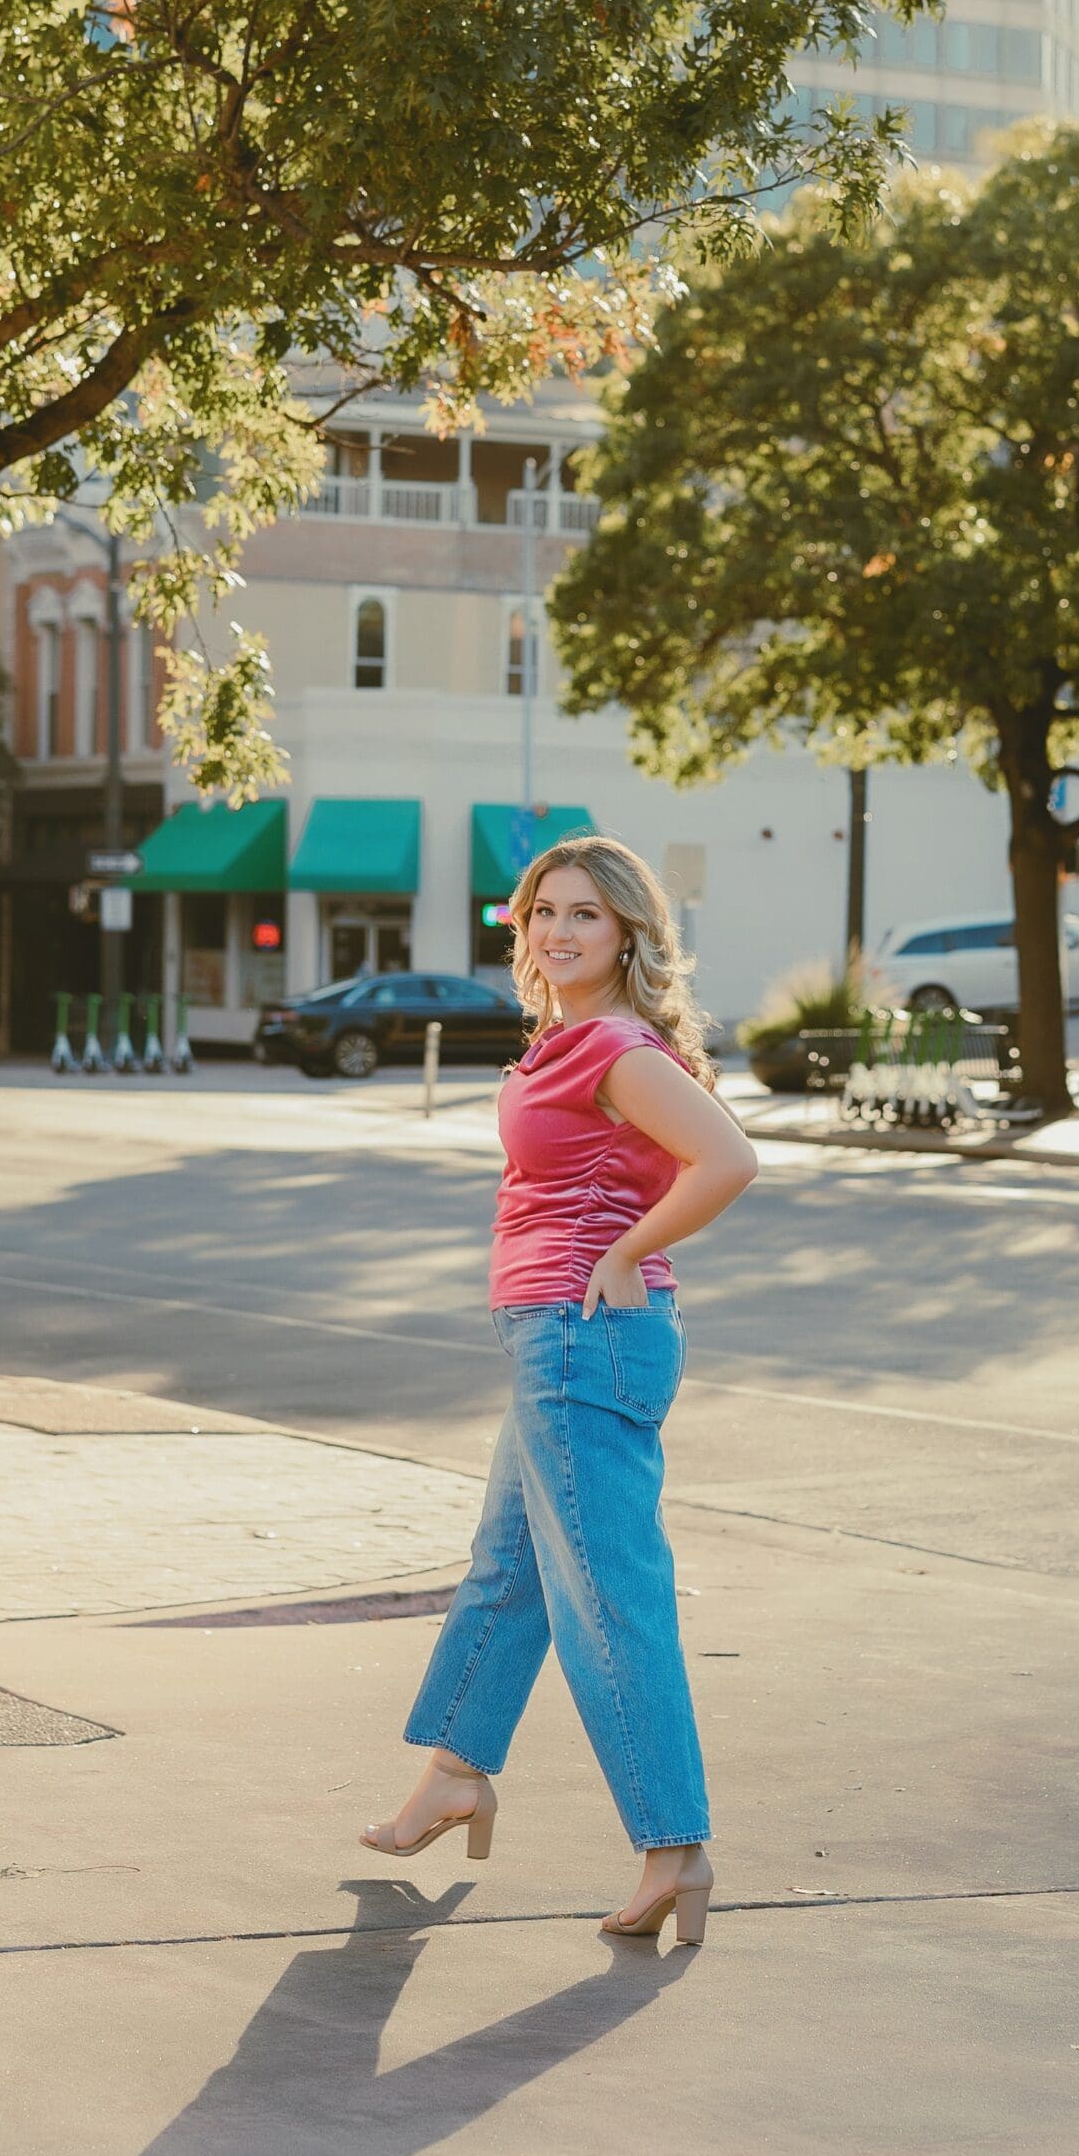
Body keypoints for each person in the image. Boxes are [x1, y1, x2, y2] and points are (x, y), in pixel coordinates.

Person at [359, 833, 758, 1946]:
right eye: (543, 911)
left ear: (626, 929)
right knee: (511, 1571)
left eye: (585, 912)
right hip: (554, 1341)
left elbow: (728, 1160)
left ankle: (675, 1846)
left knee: (609, 1602)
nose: (559, 930)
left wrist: (624, 1255)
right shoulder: (566, 1041)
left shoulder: (617, 1048)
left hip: (585, 1340)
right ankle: (455, 1775)